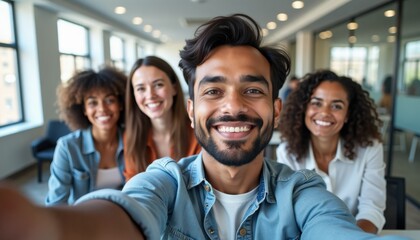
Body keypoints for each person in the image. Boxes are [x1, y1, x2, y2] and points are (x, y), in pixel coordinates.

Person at [0, 14, 407, 240]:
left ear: (277, 109)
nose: (233, 105)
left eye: (252, 89)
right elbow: (125, 210)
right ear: (193, 109)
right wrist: (51, 229)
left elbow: (334, 228)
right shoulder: (163, 180)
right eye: (214, 92)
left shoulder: (302, 191)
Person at [276, 69, 386, 234]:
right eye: (316, 103)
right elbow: (289, 215)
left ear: (347, 114)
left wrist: (352, 239)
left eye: (336, 106)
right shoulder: (287, 152)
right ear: (304, 108)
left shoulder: (370, 149)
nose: (325, 112)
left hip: (357, 234)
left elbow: (372, 208)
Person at [45, 66, 127, 205]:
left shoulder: (133, 140)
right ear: (83, 110)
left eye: (110, 100)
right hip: (83, 219)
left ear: (120, 104)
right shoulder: (67, 147)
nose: (102, 109)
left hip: (124, 217)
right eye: (93, 102)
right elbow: (56, 203)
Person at [124, 56, 200, 180]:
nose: (150, 95)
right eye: (141, 88)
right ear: (133, 95)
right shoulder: (132, 137)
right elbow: (132, 188)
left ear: (174, 88)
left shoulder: (198, 132)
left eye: (158, 85)